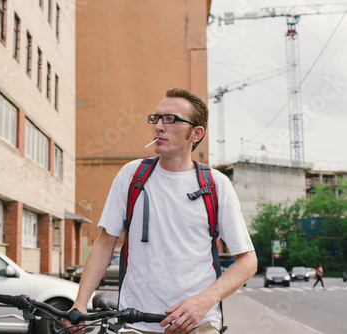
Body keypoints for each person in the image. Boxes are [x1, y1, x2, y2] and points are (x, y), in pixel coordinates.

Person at [66, 88, 257, 334]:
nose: (158, 126)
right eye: (155, 118)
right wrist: (81, 302)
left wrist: (203, 302)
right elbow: (104, 244)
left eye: (171, 119)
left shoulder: (216, 185)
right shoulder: (132, 175)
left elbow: (248, 261)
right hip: (133, 323)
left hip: (198, 324)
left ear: (196, 133)